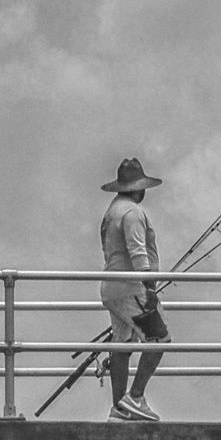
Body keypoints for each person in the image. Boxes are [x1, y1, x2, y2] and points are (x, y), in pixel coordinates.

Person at [98, 156, 171, 422]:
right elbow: (139, 254)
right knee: (160, 339)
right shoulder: (133, 213)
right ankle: (135, 397)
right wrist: (150, 290)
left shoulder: (112, 211)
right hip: (131, 287)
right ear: (138, 188)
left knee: (123, 344)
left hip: (111, 286)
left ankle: (119, 407)